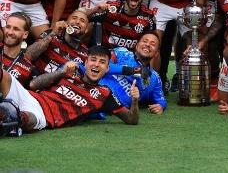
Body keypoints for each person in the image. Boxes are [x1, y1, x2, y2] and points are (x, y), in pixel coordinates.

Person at [0, 45, 140, 132]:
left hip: (45, 116)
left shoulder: (105, 94)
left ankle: (9, 119)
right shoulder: (69, 73)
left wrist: (134, 100)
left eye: (102, 62)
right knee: (4, 75)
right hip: (32, 97)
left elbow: (131, 119)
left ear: (107, 68)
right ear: (86, 62)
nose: (96, 65)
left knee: (26, 119)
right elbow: (34, 84)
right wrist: (61, 72)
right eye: (93, 60)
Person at [100, 33, 166, 113]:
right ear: (137, 45)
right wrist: (132, 71)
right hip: (96, 92)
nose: (148, 45)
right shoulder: (121, 53)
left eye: (153, 44)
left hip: (115, 109)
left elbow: (160, 99)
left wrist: (160, 106)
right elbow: (100, 64)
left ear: (156, 53)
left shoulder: (154, 77)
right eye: (145, 41)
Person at [25, 10, 89, 75]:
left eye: (82, 21)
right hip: (36, 77)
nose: (77, 22)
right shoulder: (51, 34)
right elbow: (28, 55)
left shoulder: (86, 53)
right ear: (66, 22)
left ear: (86, 30)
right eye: (74, 18)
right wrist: (52, 34)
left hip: (62, 84)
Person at [0, 12, 35, 87]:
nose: (10, 32)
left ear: (25, 34)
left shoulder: (28, 68)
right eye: (8, 27)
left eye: (16, 29)